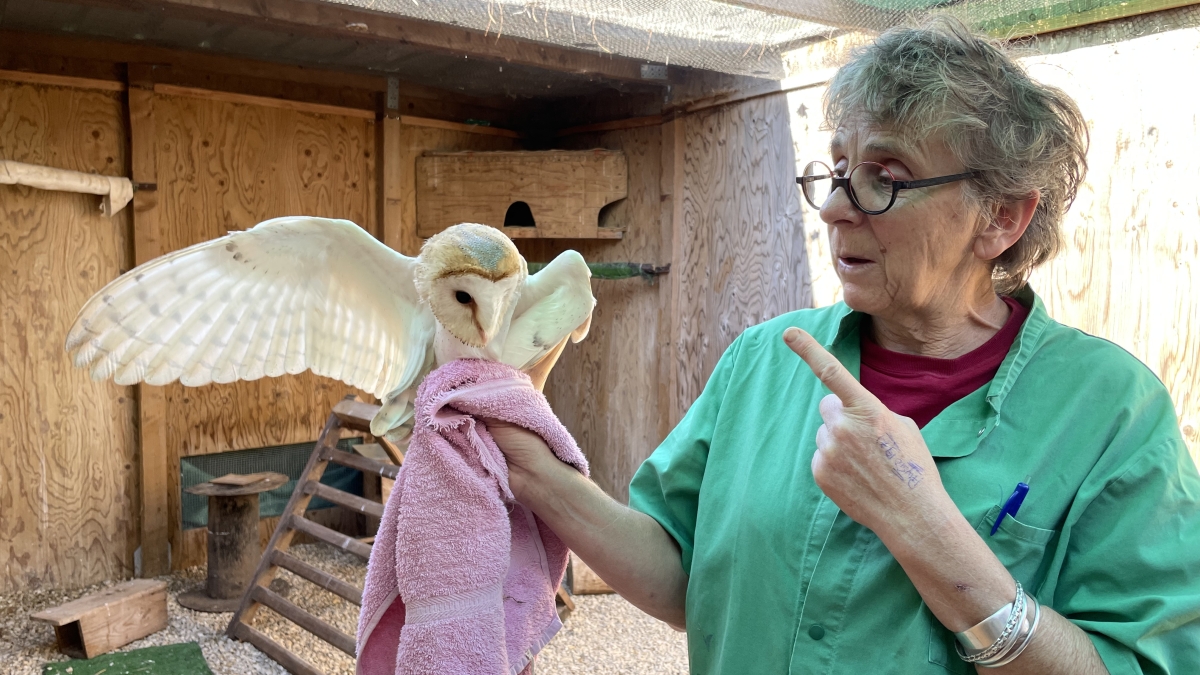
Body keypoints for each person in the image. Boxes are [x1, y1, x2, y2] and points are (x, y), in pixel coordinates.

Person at [488, 17, 1200, 674]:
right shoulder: (764, 362)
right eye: (835, 171)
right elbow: (683, 572)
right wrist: (532, 466)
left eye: (884, 179)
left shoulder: (1113, 413)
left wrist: (923, 525)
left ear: (1002, 217)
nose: (833, 208)